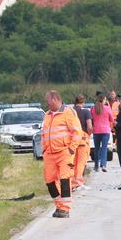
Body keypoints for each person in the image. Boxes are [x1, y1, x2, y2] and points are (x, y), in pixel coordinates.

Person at [40, 90, 82, 218]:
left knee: (64, 179)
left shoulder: (68, 112)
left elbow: (77, 132)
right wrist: (44, 149)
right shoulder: (47, 115)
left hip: (64, 152)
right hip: (50, 153)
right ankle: (58, 205)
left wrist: (71, 149)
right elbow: (43, 133)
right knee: (49, 181)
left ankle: (65, 209)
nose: (46, 104)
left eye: (48, 101)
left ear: (55, 99)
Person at [71, 94, 92, 188]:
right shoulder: (86, 112)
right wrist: (88, 134)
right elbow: (89, 126)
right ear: (83, 102)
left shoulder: (70, 112)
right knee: (81, 162)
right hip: (83, 139)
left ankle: (70, 182)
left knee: (72, 161)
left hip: (71, 139)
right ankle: (78, 182)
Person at [90, 92, 113, 172]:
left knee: (96, 149)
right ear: (103, 100)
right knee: (104, 148)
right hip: (105, 131)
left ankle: (96, 166)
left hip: (96, 131)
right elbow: (112, 119)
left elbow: (91, 119)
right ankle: (103, 165)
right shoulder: (107, 108)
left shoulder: (93, 108)